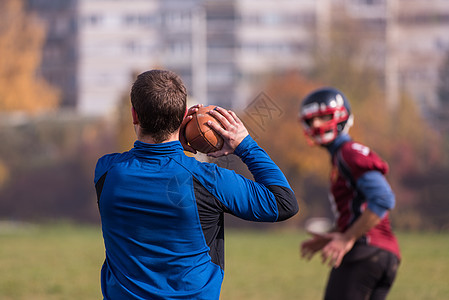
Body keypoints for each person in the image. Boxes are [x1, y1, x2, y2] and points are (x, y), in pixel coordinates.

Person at [94, 69, 299, 299]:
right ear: (183, 116)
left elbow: (155, 166)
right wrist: (245, 145)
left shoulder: (105, 172)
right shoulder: (208, 180)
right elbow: (283, 202)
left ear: (134, 115)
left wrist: (173, 144)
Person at [298, 87, 400, 300]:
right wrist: (337, 232)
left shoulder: (348, 152)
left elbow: (383, 198)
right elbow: (359, 207)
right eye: (311, 120)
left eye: (322, 117)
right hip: (383, 254)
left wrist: (347, 237)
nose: (316, 125)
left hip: (365, 250)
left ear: (341, 116)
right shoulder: (341, 156)